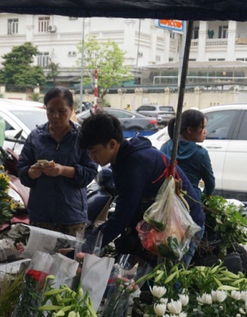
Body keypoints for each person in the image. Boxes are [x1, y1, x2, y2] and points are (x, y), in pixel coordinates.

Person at [78, 113, 205, 264]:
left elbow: (121, 218)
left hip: (183, 226)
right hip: (161, 226)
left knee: (169, 282)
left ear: (112, 144)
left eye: (94, 151)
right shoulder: (123, 158)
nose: (91, 157)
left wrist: (84, 247)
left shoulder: (134, 164)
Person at [18, 86, 98, 236]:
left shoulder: (81, 136)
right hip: (40, 215)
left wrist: (63, 171)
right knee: (39, 258)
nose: (55, 116)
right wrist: (31, 173)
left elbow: (90, 172)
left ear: (71, 109)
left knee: (70, 258)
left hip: (71, 216)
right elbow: (22, 170)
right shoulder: (36, 137)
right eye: (50, 111)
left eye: (61, 111)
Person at [160, 109, 215, 198]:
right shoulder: (200, 153)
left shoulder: (165, 147)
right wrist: (206, 197)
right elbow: (210, 183)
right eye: (202, 127)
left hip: (167, 198)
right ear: (190, 130)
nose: (205, 131)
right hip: (191, 201)